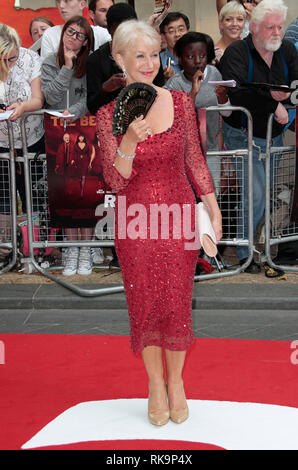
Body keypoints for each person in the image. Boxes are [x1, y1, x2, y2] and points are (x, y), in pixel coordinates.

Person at [96, 19, 222, 426]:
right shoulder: (106, 115)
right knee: (145, 304)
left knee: (176, 302)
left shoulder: (181, 102)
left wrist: (211, 205)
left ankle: (177, 383)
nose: (149, 64)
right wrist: (129, 140)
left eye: (154, 54)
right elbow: (115, 180)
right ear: (119, 59)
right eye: (139, 56)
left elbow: (194, 160)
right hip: (135, 224)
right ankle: (154, 384)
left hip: (178, 217)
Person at [219, 0, 298, 273]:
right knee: (256, 194)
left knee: (263, 196)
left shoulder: (286, 50)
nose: (276, 32)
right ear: (253, 28)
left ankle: (251, 248)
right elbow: (237, 92)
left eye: (279, 26)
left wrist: (284, 96)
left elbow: (295, 86)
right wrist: (272, 102)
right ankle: (245, 253)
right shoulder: (237, 52)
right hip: (244, 133)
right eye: (270, 27)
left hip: (272, 136)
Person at [41, 16, 95, 276]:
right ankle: (72, 248)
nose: (74, 37)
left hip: (84, 131)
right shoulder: (50, 60)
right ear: (63, 33)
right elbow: (49, 95)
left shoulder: (90, 63)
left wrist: (69, 113)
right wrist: (66, 66)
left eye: (80, 35)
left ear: (86, 42)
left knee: (86, 194)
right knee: (65, 195)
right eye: (70, 32)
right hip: (57, 135)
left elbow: (87, 99)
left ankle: (87, 249)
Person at [164, 32, 231, 196]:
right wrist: (193, 93)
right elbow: (173, 119)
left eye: (202, 56)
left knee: (212, 198)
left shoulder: (214, 73)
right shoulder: (174, 83)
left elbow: (227, 113)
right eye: (190, 56)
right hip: (184, 154)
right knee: (188, 199)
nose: (198, 61)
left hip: (211, 150)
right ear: (179, 58)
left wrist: (223, 97)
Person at [0, 24, 45, 217]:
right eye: (5, 59)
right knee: (2, 197)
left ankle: (33, 243)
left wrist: (23, 107)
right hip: (1, 143)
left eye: (14, 57)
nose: (11, 63)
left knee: (33, 195)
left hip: (32, 139)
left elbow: (38, 99)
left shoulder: (30, 59)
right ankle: (5, 243)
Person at [40, 0, 110, 60]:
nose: (61, 5)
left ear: (82, 4)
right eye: (58, 1)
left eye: (67, 1)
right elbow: (47, 70)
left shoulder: (101, 33)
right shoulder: (50, 34)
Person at [159, 12, 190, 78]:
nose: (177, 34)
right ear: (163, 36)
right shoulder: (158, 61)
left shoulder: (197, 59)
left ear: (188, 32)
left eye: (181, 29)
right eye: (171, 31)